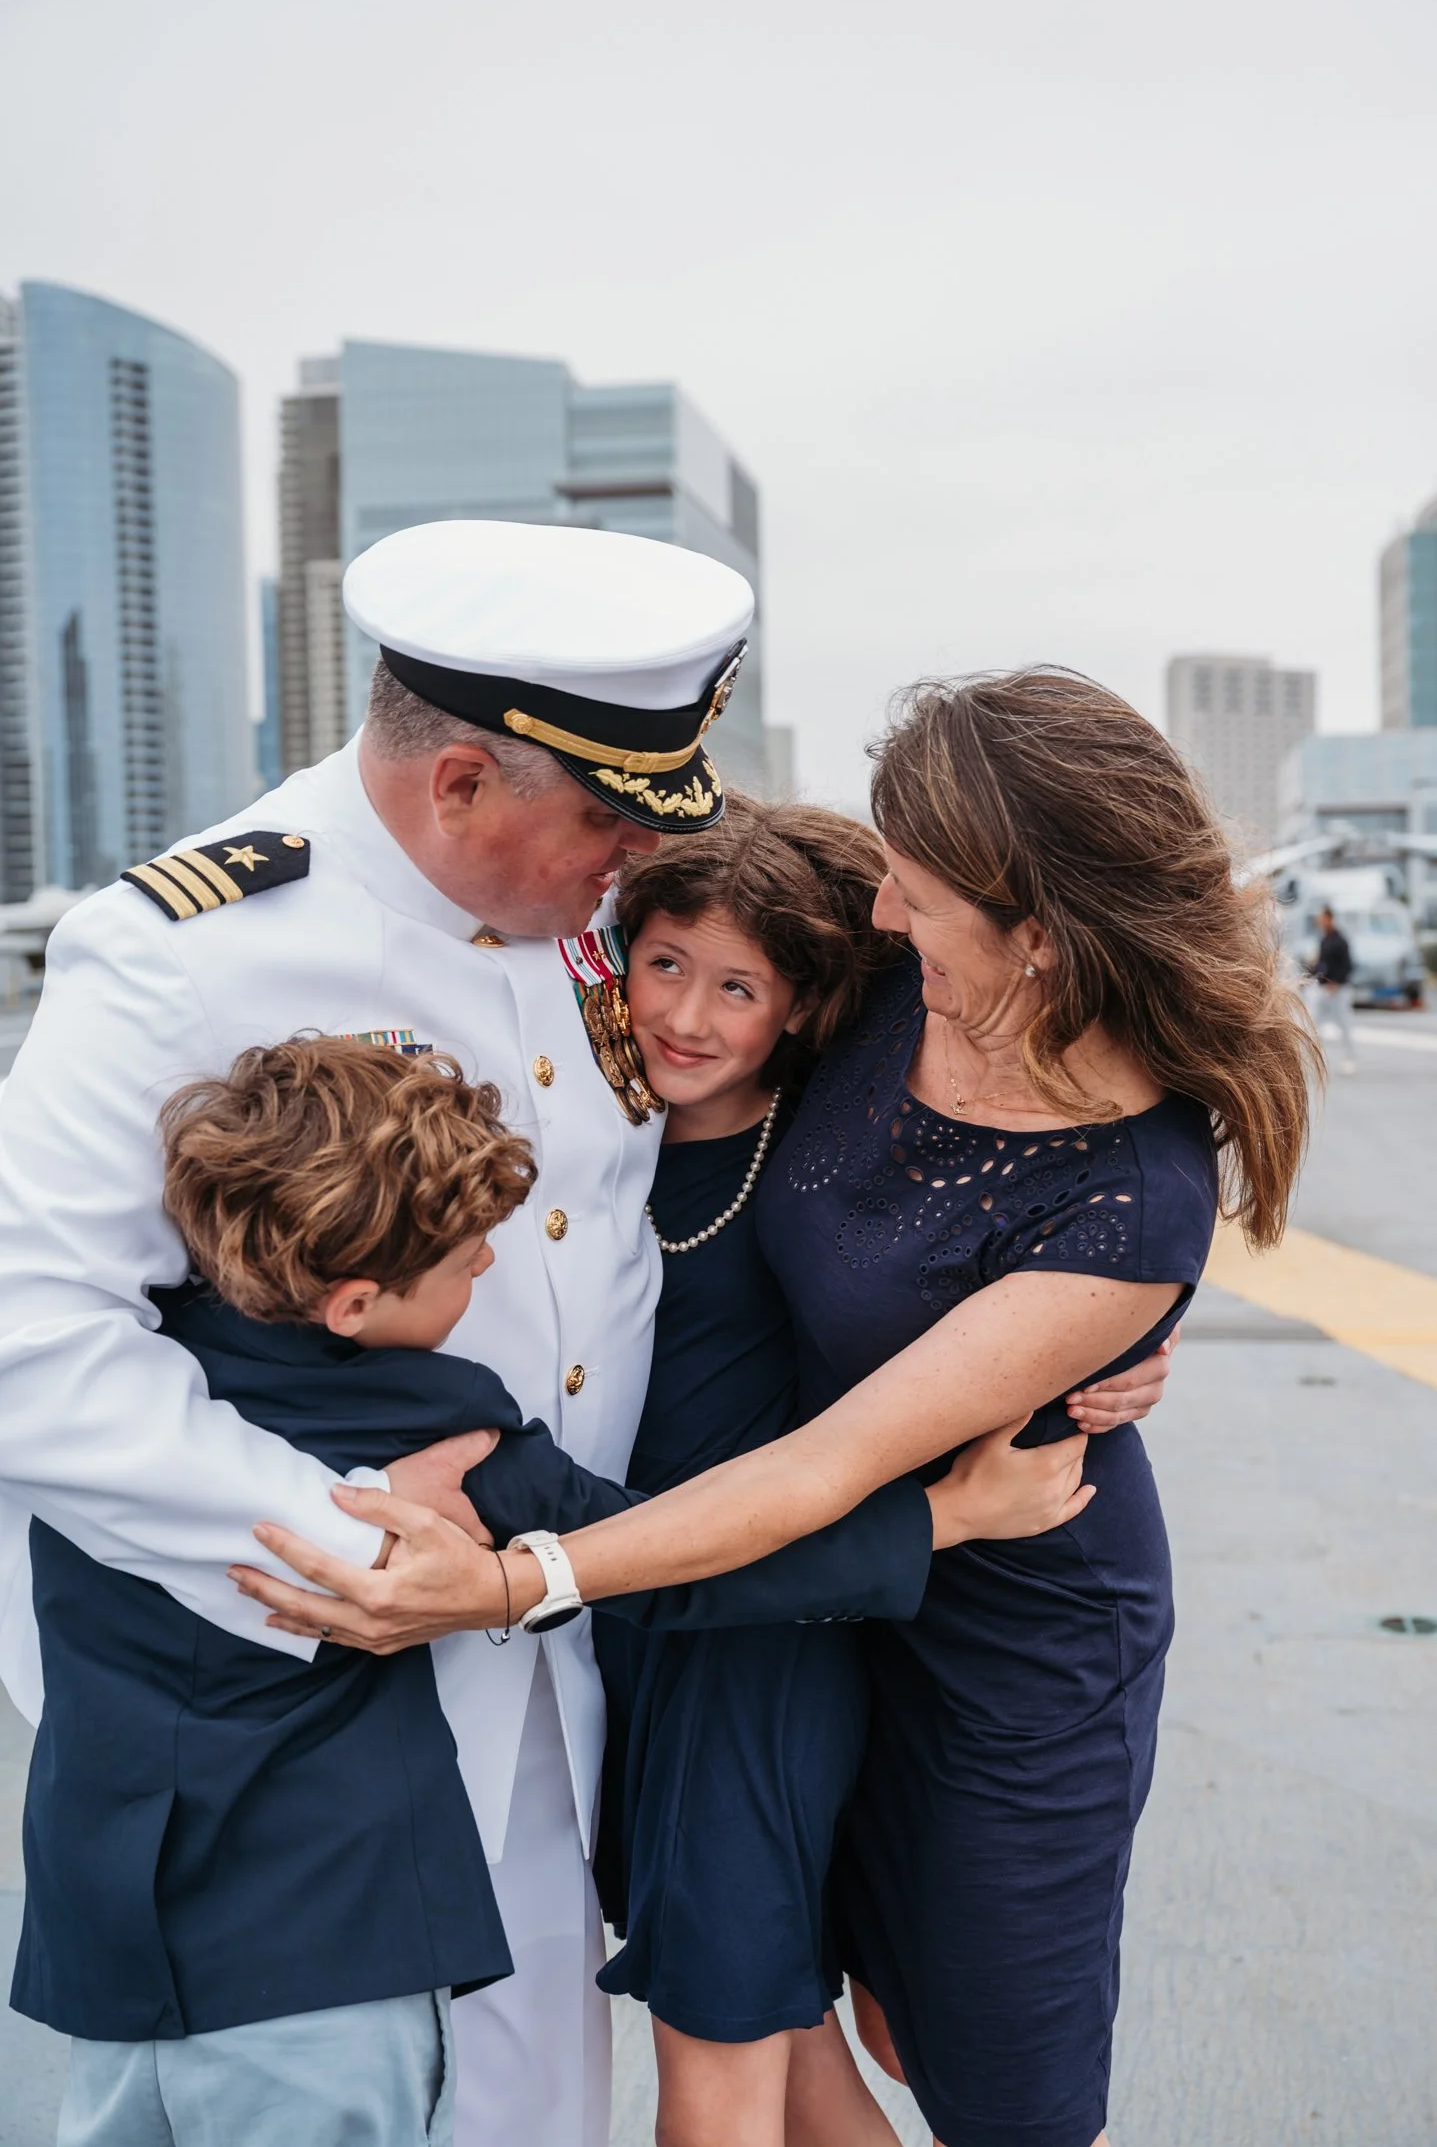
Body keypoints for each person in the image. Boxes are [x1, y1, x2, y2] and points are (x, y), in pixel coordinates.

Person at [239, 670, 1316, 2147]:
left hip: (1002, 1625)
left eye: (920, 896)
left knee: (979, 2068)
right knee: (800, 1993)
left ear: (1040, 945)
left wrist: (506, 1584)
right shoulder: (885, 976)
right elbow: (647, 847)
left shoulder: (1132, 1196)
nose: (883, 914)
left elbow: (824, 1467)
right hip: (777, 1586)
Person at [0, 518, 756, 2147]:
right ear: (461, 785)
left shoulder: (580, 918)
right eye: (608, 817)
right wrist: (340, 1553)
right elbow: (32, 1334)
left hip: (552, 1670)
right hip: (296, 1700)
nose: (632, 859)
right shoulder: (188, 948)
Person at [463, 798, 1170, 2147]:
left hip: (757, 1640)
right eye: (664, 964)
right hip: (650, 1630)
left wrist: (1141, 1320)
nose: (689, 1014)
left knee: (721, 2047)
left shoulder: (815, 1160)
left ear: (796, 1008)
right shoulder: (583, 1137)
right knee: (791, 2037)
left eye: (739, 986)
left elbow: (1016, 1235)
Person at [17, 1038, 539, 2145]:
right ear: (352, 1305)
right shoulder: (439, 1425)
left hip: (114, 1955)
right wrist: (937, 1520)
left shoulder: (102, 1384)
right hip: (330, 1955)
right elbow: (674, 1549)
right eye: (465, 1260)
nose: (486, 1271)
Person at [1307, 904, 1357, 1074]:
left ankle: (1349, 1058)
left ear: (1329, 918)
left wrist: (1336, 982)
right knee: (1315, 1023)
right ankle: (1315, 1060)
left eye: (1322, 917)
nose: (1319, 921)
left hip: (1338, 990)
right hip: (1323, 989)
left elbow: (1348, 965)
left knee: (1344, 1024)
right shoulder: (1324, 940)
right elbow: (1321, 965)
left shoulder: (1340, 941)